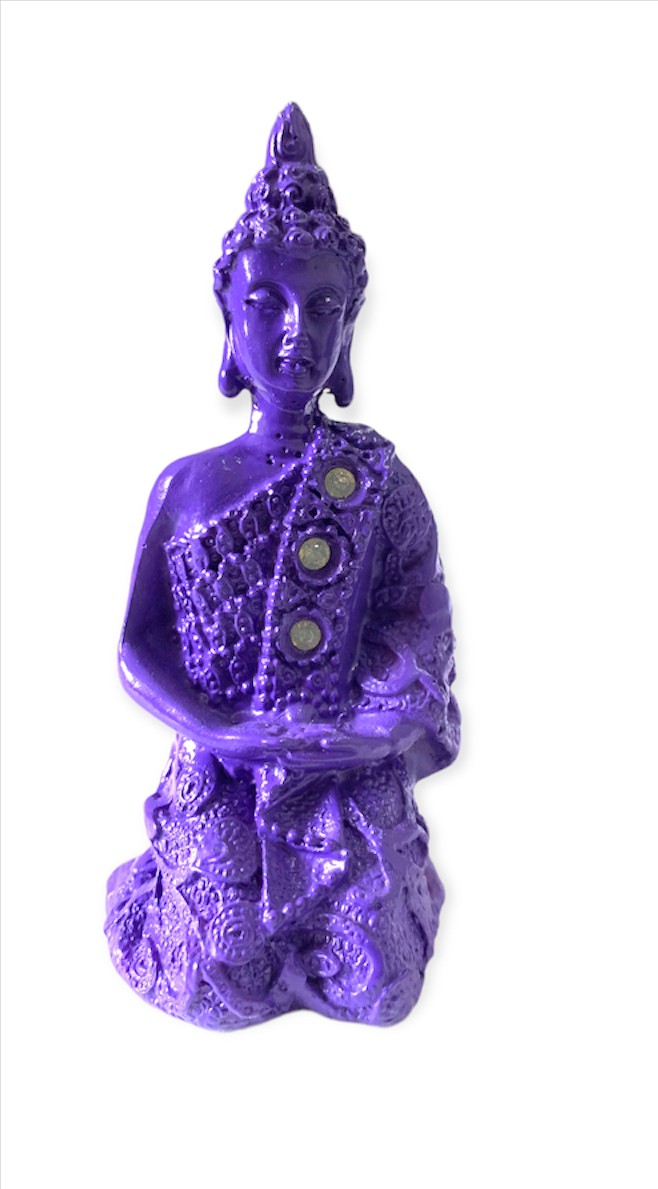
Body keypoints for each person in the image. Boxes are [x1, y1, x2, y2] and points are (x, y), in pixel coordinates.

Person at [105, 104, 460, 1029]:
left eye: (325, 307)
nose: (298, 330)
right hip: (224, 765)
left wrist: (364, 735)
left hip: (343, 767)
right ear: (228, 319)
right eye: (267, 303)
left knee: (380, 984)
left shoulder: (377, 483)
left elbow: (421, 632)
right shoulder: (186, 485)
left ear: (351, 330)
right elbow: (137, 648)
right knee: (214, 973)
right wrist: (221, 730)